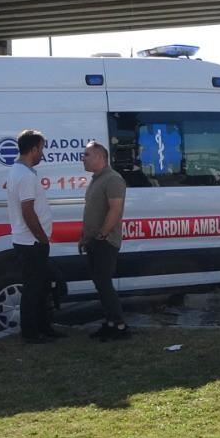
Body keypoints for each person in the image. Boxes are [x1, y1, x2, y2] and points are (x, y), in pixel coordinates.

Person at [6, 129, 58, 344]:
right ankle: (31, 332)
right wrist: (42, 237)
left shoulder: (19, 171)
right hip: (32, 241)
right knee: (33, 287)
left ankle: (44, 327)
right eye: (41, 149)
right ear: (34, 148)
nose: (42, 154)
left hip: (28, 240)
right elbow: (28, 210)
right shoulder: (25, 176)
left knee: (42, 285)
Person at [80, 141, 129, 341]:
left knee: (104, 283)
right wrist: (85, 237)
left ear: (100, 157)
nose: (83, 158)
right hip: (93, 240)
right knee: (99, 283)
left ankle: (119, 326)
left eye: (87, 154)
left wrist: (102, 234)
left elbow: (115, 209)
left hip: (105, 241)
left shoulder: (113, 179)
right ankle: (109, 323)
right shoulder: (96, 179)